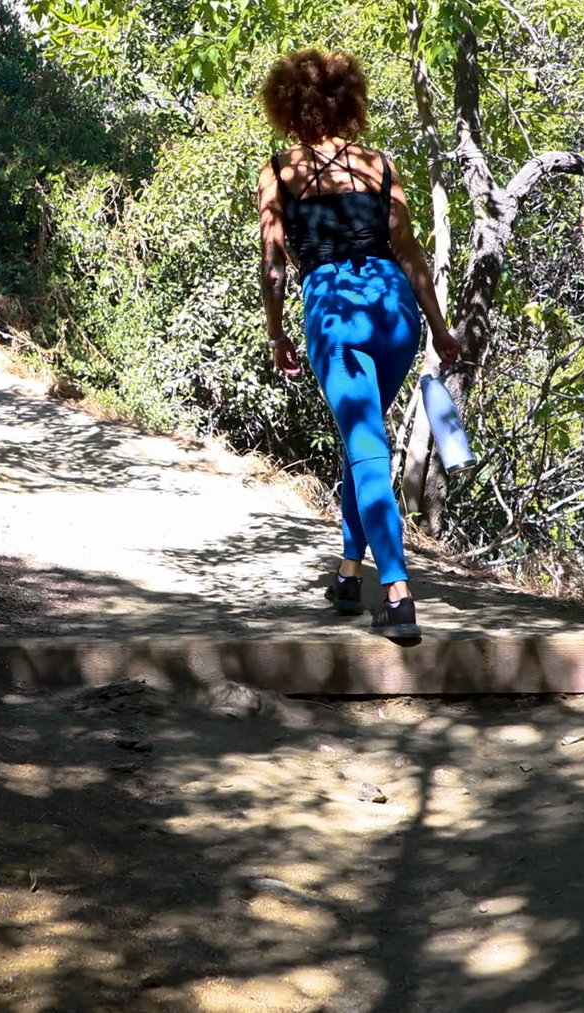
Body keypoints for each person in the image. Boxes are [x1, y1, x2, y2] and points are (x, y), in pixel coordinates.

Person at [256, 47, 460, 641]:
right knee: (362, 440)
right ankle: (349, 572)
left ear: (288, 106)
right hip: (395, 310)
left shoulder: (279, 173)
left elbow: (274, 267)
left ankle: (396, 593)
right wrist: (439, 327)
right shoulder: (379, 165)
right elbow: (409, 251)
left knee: (366, 445)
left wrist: (277, 333)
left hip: (335, 309)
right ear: (347, 102)